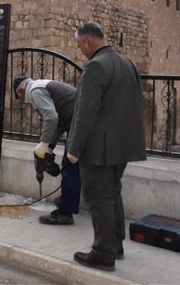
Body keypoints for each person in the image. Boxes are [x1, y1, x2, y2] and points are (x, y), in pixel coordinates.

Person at [67, 21, 146, 272]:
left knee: (99, 197)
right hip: (123, 144)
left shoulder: (96, 66)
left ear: (86, 41)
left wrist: (74, 148)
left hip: (99, 148)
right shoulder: (128, 64)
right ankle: (116, 245)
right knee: (113, 193)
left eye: (79, 44)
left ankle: (103, 253)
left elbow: (85, 113)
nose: (80, 49)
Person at [13, 76, 80, 225]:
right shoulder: (41, 86)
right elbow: (59, 122)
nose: (23, 101)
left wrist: (43, 143)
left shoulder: (34, 91)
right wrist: (50, 147)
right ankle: (69, 204)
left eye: (20, 97)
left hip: (79, 120)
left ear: (21, 90)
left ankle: (65, 213)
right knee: (74, 166)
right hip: (78, 118)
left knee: (69, 165)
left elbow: (51, 118)